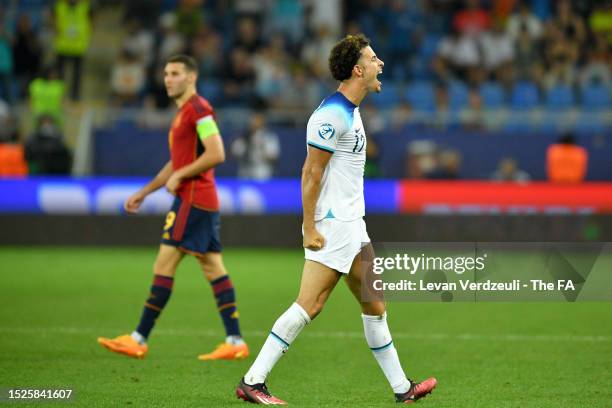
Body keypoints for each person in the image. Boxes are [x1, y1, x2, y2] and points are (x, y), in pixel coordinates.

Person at [235, 34, 437, 405]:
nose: (381, 65)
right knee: (309, 304)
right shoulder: (330, 115)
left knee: (374, 302)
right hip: (334, 224)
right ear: (358, 69)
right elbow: (311, 173)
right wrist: (309, 227)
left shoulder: (351, 110)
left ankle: (402, 390)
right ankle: (253, 380)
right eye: (374, 59)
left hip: (352, 222)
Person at [98, 55, 249, 361]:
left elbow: (216, 152)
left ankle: (139, 338)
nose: (168, 79)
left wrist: (181, 175)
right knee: (213, 267)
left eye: (175, 73)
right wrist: (145, 192)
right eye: (166, 73)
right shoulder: (184, 114)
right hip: (199, 199)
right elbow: (176, 163)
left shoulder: (199, 110)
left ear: (191, 77)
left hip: (192, 199)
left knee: (164, 265)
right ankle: (234, 341)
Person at [230, 112, 280, 180]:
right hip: (245, 171)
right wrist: (246, 144)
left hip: (262, 171)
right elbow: (234, 153)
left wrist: (261, 146)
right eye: (252, 121)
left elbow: (273, 157)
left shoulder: (269, 137)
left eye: (257, 121)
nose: (254, 123)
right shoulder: (243, 137)